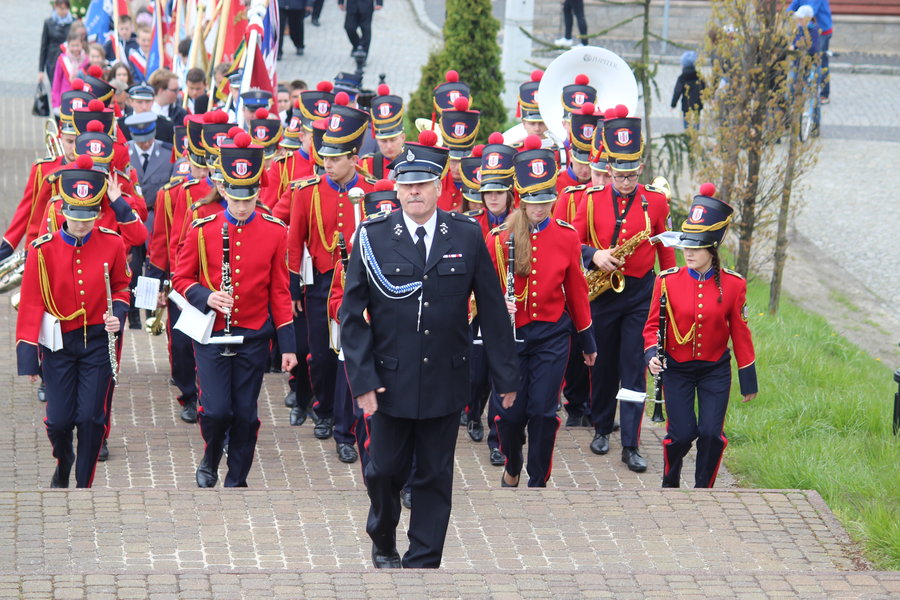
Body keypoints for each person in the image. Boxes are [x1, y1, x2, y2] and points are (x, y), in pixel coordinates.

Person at [340, 129, 519, 569]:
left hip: (444, 377)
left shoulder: (466, 235)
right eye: (406, 184)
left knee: (435, 476)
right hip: (388, 380)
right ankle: (383, 539)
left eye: (422, 184)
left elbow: (494, 312)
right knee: (382, 472)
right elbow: (351, 318)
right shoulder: (374, 236)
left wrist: (506, 379)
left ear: (440, 187)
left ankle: (423, 561)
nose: (414, 191)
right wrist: (362, 382)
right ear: (396, 187)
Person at [172, 132, 297, 488]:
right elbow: (180, 277)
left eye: (249, 198)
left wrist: (287, 345)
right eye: (235, 197)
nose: (242, 206)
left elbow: (279, 291)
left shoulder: (275, 232)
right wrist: (206, 295)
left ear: (257, 191)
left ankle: (237, 479)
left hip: (254, 333)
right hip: (211, 332)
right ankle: (211, 455)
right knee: (215, 410)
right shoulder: (203, 229)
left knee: (245, 414)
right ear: (224, 190)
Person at [15, 155, 131, 488]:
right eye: (75, 216)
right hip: (59, 344)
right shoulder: (43, 250)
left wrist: (118, 315)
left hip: (96, 341)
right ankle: (64, 459)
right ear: (63, 211)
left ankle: (83, 483)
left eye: (88, 217)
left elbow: (123, 286)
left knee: (91, 419)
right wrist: (28, 358)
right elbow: (32, 303)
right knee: (59, 422)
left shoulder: (112, 242)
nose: (81, 224)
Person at [572, 105, 675, 473]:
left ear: (641, 170)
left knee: (633, 365)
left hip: (639, 295)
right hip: (601, 293)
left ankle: (630, 442)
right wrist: (594, 255)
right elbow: (572, 242)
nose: (626, 182)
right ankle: (601, 427)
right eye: (619, 175)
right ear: (609, 170)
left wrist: (669, 289)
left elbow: (665, 248)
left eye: (632, 175)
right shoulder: (589, 199)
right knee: (602, 365)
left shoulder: (656, 202)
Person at [488, 136, 596, 488]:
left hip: (551, 334)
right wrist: (494, 305)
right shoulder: (499, 238)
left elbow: (577, 292)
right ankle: (513, 463)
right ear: (520, 198)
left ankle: (538, 480)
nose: (540, 208)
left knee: (542, 412)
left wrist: (588, 341)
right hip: (511, 336)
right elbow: (481, 291)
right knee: (508, 416)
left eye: (546, 201)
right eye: (533, 201)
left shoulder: (566, 237)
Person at [643, 183, 757, 488]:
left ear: (712, 249)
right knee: (680, 434)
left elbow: (741, 332)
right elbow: (652, 326)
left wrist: (749, 379)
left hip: (714, 370)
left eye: (696, 247)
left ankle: (703, 489)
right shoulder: (666, 281)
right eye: (686, 246)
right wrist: (652, 355)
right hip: (677, 369)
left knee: (710, 434)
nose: (688, 252)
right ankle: (671, 478)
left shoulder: (733, 285)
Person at [286, 94, 374, 443]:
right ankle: (322, 410)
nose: (327, 164)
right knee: (320, 355)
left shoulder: (370, 190)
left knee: (353, 356)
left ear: (354, 158)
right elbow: (295, 242)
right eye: (325, 157)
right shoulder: (306, 191)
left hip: (363, 283)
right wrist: (294, 290)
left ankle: (348, 421)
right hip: (321, 284)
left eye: (336, 159)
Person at [788, 0, 832, 103]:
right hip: (805, 28)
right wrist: (786, 15)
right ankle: (801, 88)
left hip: (822, 31)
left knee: (820, 60)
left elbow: (812, 10)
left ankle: (823, 94)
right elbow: (793, 6)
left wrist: (799, 17)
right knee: (802, 58)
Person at [51, 30, 89, 111]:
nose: (75, 48)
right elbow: (56, 82)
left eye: (77, 45)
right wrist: (56, 103)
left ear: (82, 45)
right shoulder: (62, 59)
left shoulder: (86, 60)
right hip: (65, 98)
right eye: (72, 45)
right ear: (68, 45)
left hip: (81, 99)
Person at [39, 0, 74, 87]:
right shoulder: (49, 22)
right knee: (55, 87)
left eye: (65, 8)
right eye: (60, 8)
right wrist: (41, 70)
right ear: (56, 7)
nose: (63, 11)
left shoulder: (73, 23)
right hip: (53, 61)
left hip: (69, 61)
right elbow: (44, 46)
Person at [671, 51, 706, 130]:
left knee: (687, 124)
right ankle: (695, 137)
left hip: (686, 105)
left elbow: (677, 92)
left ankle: (688, 137)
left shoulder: (682, 78)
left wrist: (673, 104)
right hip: (697, 105)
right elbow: (705, 89)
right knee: (696, 123)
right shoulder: (699, 77)